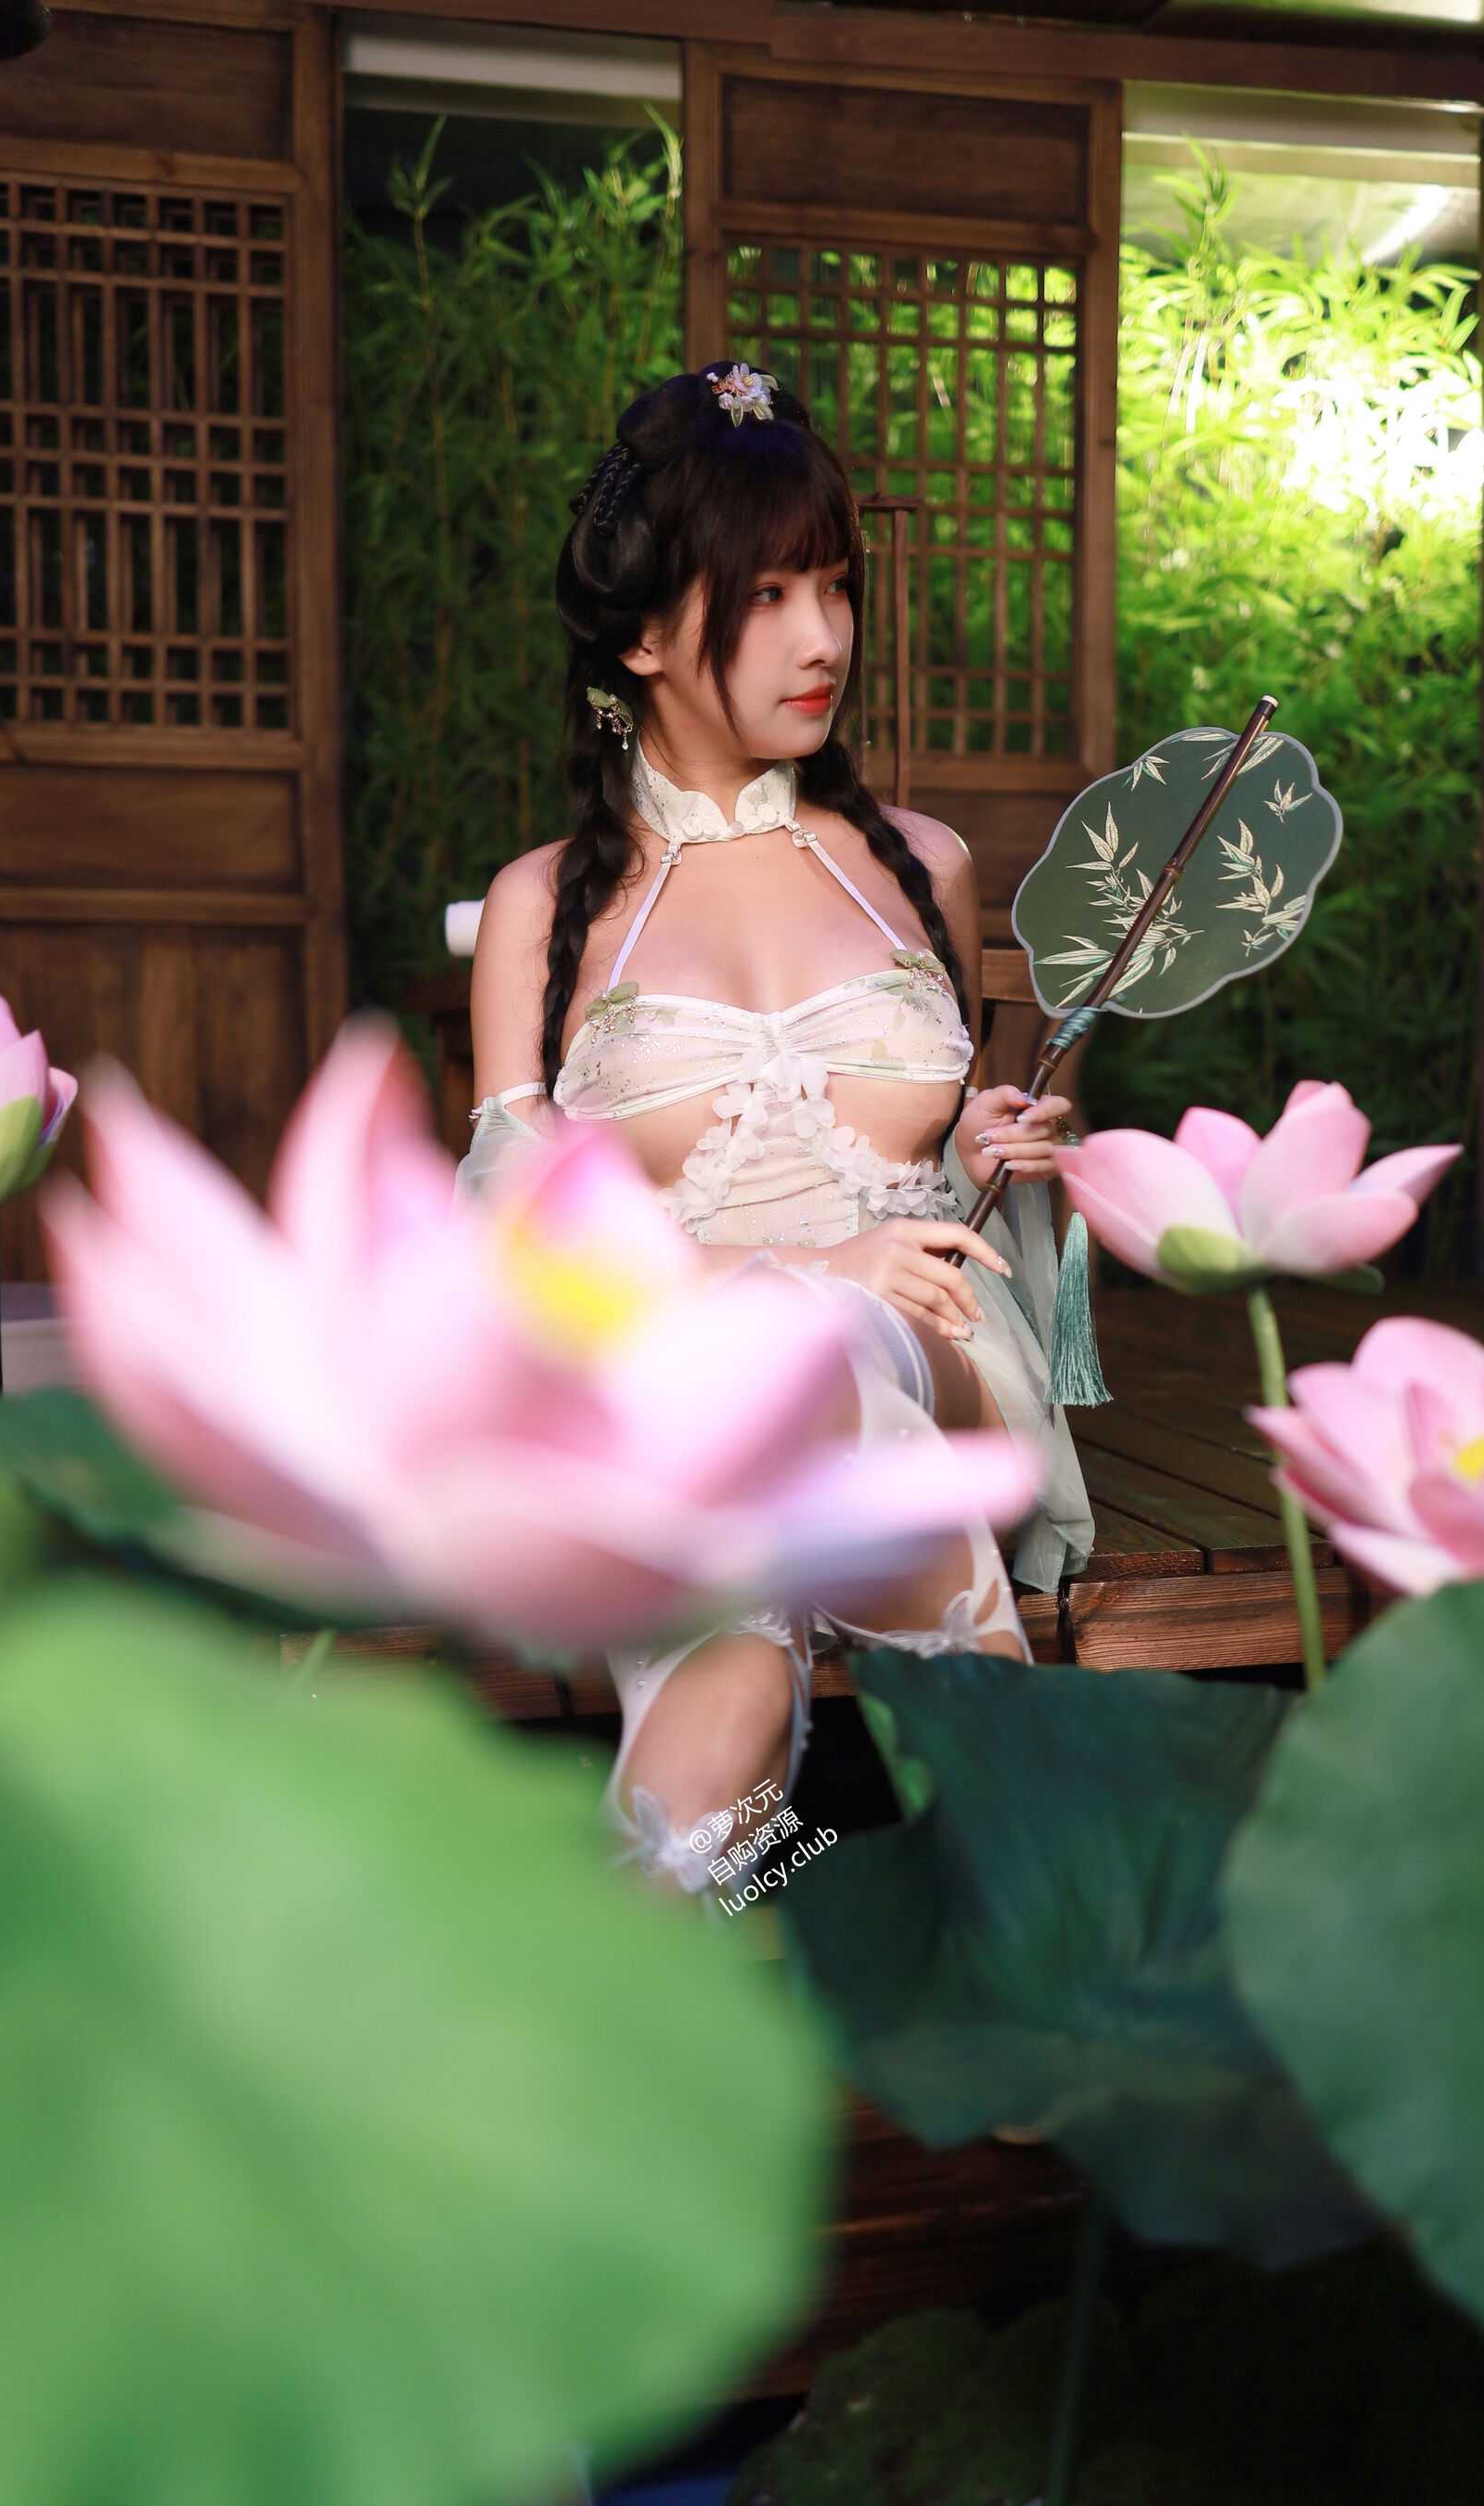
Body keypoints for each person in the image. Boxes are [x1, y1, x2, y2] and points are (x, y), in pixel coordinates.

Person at [457, 358, 1094, 1904]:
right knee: (731, 1652)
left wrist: (977, 1147)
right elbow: (520, 1250)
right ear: (642, 635)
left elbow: (927, 1179)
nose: (825, 638)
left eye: (836, 583)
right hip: (672, 1407)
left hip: (933, 1367)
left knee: (826, 1349)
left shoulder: (919, 863)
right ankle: (731, 1923)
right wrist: (797, 1271)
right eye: (768, 595)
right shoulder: (542, 906)